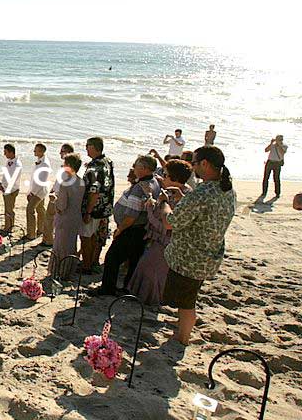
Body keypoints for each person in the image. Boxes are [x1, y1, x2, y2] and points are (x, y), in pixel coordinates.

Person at [160, 146, 236, 345]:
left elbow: (171, 222)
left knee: (186, 303)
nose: (192, 168)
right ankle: (181, 332)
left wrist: (164, 204)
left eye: (194, 163)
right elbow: (204, 213)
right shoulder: (226, 189)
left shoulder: (202, 192)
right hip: (209, 255)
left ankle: (182, 338)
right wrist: (183, 198)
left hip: (190, 258)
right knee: (188, 298)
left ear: (204, 163)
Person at [91, 155, 161, 296]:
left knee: (112, 258)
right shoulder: (153, 182)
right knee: (134, 258)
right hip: (141, 229)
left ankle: (108, 288)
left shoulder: (140, 188)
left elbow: (131, 216)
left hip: (131, 229)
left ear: (145, 169)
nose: (134, 167)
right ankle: (128, 287)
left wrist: (120, 229)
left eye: (137, 165)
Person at [127, 159, 193, 306]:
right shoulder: (183, 191)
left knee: (150, 270)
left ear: (175, 179)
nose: (163, 177)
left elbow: (165, 224)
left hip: (166, 241)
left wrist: (152, 206)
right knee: (148, 268)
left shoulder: (179, 196)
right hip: (163, 240)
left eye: (166, 175)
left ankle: (149, 300)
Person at [80, 137, 115, 273]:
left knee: (86, 236)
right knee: (94, 235)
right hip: (105, 207)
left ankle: (86, 265)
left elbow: (94, 192)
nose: (86, 148)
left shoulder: (95, 167)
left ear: (94, 147)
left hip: (94, 209)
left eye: (87, 146)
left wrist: (88, 212)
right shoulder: (107, 161)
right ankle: (92, 261)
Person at [48, 153, 85, 279]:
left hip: (65, 218)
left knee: (60, 245)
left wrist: (54, 199)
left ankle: (60, 271)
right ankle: (69, 270)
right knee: (71, 244)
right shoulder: (81, 181)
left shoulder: (66, 183)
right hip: (76, 217)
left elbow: (62, 206)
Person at [25, 143, 51, 242]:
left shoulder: (44, 164)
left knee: (30, 210)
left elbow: (41, 181)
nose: (34, 151)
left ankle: (31, 234)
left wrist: (33, 193)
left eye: (35, 150)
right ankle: (41, 229)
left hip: (39, 191)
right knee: (40, 210)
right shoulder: (39, 161)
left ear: (41, 151)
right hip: (36, 190)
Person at [0, 143, 22, 233]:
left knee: (9, 209)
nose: (4, 154)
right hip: (6, 188)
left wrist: (6, 189)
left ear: (11, 152)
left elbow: (13, 179)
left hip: (11, 189)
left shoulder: (17, 164)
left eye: (5, 152)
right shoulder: (9, 161)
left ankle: (9, 228)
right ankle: (8, 226)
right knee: (7, 208)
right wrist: (1, 184)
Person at [260, 135, 287, 200]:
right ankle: (264, 192)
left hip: (277, 163)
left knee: (276, 178)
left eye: (280, 140)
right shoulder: (273, 145)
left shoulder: (284, 146)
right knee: (266, 177)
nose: (279, 141)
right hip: (270, 162)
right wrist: (271, 143)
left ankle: (277, 193)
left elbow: (282, 153)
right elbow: (266, 150)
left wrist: (279, 146)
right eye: (278, 139)